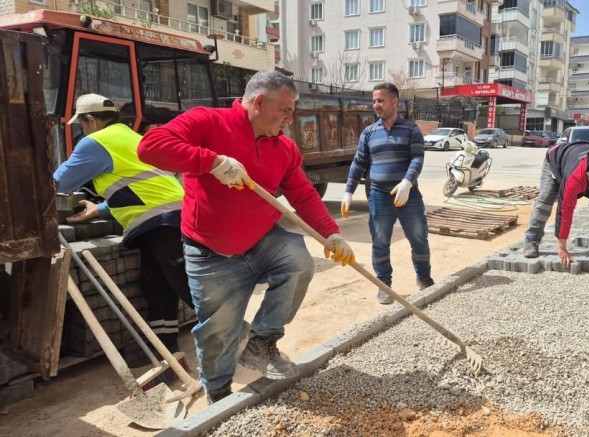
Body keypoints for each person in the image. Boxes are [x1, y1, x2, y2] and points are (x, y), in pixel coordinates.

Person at [137, 70, 355, 405]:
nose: (289, 118)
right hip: (210, 252)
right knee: (218, 332)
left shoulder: (284, 148)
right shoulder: (207, 122)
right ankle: (219, 394)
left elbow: (303, 194)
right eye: (285, 110)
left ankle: (260, 343)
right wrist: (211, 162)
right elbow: (150, 148)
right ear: (258, 101)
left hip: (262, 241)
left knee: (298, 262)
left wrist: (332, 233)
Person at [53, 94, 193, 359]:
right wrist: (100, 208)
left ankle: (238, 336)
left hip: (163, 220)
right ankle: (165, 348)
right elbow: (138, 186)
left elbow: (59, 184)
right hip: (166, 217)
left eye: (81, 124)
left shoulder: (95, 142)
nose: (82, 129)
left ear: (90, 120)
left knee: (185, 282)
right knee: (157, 285)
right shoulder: (131, 137)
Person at [340, 82, 434, 305]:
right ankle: (384, 286)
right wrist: (348, 192)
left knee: (419, 238)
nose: (376, 105)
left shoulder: (411, 129)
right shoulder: (369, 133)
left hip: (407, 195)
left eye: (380, 100)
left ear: (394, 101)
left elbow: (417, 158)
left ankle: (424, 278)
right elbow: (359, 163)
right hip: (379, 195)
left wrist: (407, 182)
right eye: (374, 101)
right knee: (380, 241)